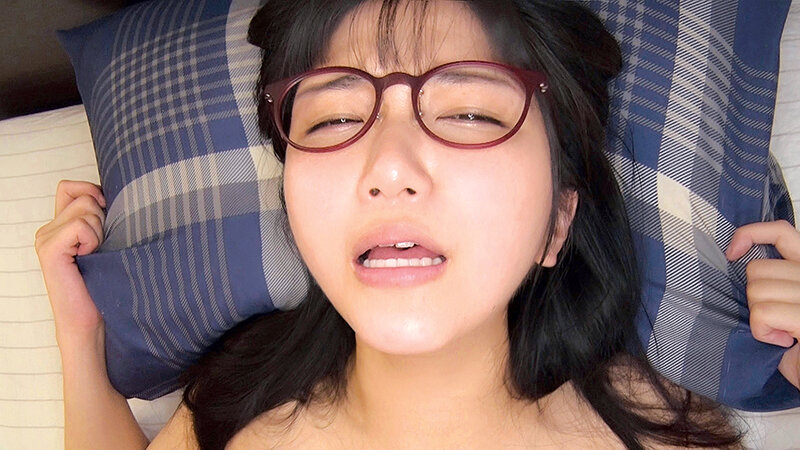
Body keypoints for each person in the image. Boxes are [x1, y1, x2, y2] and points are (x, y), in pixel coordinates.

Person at [34, 0, 800, 448]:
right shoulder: (236, 399)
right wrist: (79, 337)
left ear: (557, 225)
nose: (390, 166)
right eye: (334, 119)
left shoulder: (655, 428)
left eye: (469, 113)